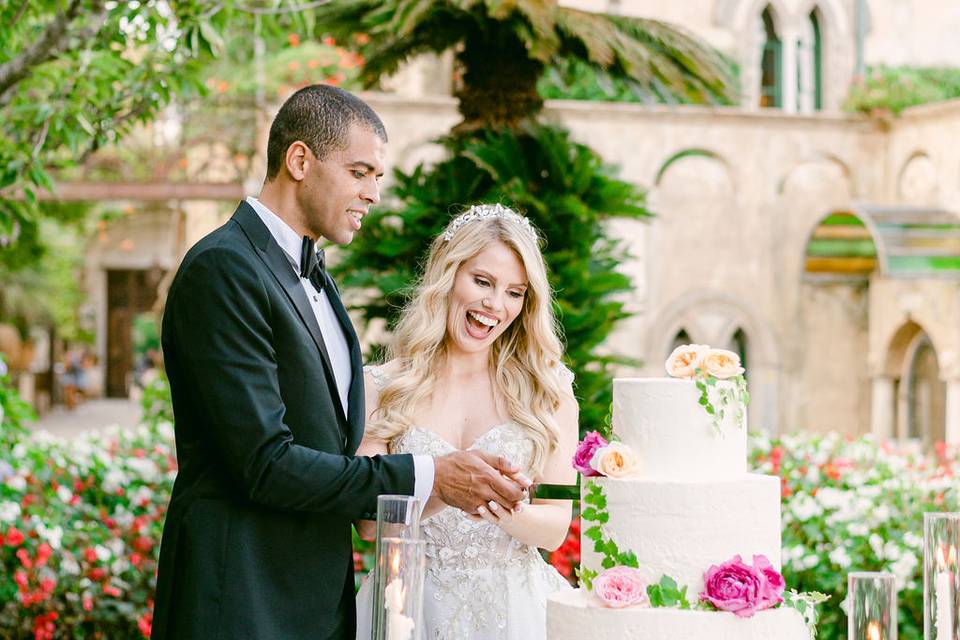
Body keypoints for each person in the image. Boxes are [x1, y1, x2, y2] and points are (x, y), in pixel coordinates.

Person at [152, 86, 530, 640]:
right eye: (360, 172)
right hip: (242, 598)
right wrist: (431, 475)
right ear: (300, 160)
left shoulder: (319, 279)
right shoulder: (222, 269)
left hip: (319, 601)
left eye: (377, 177)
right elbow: (263, 462)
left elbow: (331, 446)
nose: (373, 193)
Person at [355, 204, 578, 640]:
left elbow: (554, 529)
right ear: (447, 274)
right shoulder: (382, 386)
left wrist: (498, 505)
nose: (495, 305)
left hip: (516, 615)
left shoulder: (548, 392)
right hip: (408, 608)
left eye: (515, 292)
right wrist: (447, 488)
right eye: (482, 282)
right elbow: (367, 523)